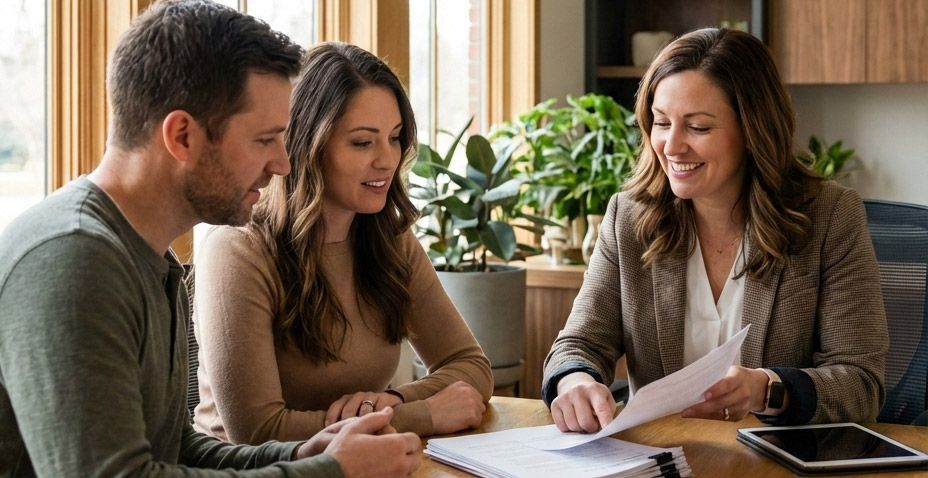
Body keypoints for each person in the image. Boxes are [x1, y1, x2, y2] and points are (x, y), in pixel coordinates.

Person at [0, 1, 421, 476]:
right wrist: (331, 473)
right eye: (264, 140)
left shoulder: (150, 258)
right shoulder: (74, 259)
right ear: (181, 136)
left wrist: (305, 453)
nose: (283, 164)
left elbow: (176, 449)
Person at [542, 28, 888, 432]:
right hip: (661, 460)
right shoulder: (629, 217)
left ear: (752, 130)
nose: (671, 146)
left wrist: (767, 389)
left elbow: (862, 382)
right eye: (661, 123)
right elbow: (577, 344)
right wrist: (576, 381)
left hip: (774, 463)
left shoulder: (829, 217)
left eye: (698, 127)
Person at [191, 41, 493, 445]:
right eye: (362, 142)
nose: (387, 160)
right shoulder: (237, 251)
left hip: (360, 464)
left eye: (395, 137)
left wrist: (388, 401)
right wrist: (415, 415)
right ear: (307, 146)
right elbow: (258, 433)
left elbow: (471, 365)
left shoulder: (391, 241)